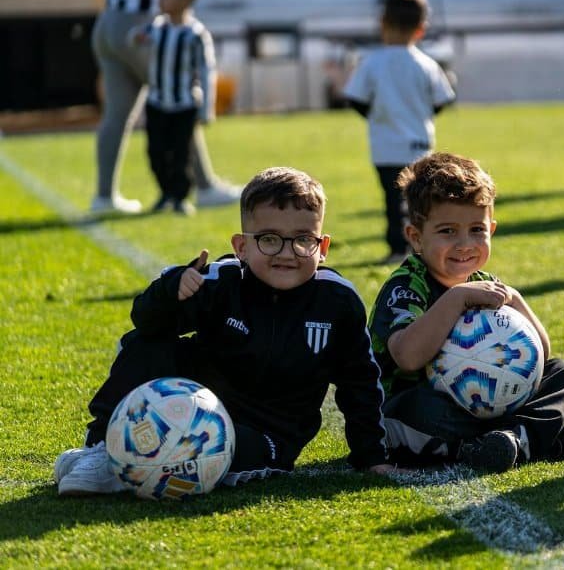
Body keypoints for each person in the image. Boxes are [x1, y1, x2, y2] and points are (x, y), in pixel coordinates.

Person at [54, 167, 400, 495]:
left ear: (322, 248)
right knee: (147, 345)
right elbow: (146, 323)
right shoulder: (221, 281)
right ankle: (101, 448)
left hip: (266, 433)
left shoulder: (338, 302)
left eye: (302, 240)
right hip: (195, 405)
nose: (286, 253)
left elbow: (361, 383)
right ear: (241, 247)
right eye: (269, 239)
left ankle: (125, 470)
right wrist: (171, 291)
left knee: (226, 450)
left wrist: (372, 457)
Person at [367, 153, 564, 473]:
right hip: (417, 407)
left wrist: (515, 300)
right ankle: (531, 438)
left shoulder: (485, 284)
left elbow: (539, 356)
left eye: (476, 230)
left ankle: (509, 441)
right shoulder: (407, 286)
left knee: (560, 373)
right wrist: (455, 299)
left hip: (488, 405)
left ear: (492, 229)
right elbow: (408, 357)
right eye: (447, 231)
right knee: (420, 408)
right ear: (416, 236)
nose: (464, 244)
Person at [91, 0, 240, 215]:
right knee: (178, 98)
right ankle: (204, 186)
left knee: (116, 116)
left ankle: (104, 197)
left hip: (107, 24)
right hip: (138, 26)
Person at [342, 0, 456, 266]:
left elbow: (355, 98)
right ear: (421, 29)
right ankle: (423, 248)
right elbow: (443, 100)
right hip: (419, 144)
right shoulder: (426, 64)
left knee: (393, 203)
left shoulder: (372, 62)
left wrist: (377, 116)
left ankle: (397, 250)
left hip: (385, 146)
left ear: (382, 23)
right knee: (421, 203)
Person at [133, 0, 215, 215]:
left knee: (181, 153)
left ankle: (180, 197)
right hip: (157, 101)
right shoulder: (156, 27)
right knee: (155, 151)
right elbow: (135, 39)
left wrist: (206, 107)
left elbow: (206, 70)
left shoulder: (196, 34)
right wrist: (135, 38)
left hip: (184, 104)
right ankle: (165, 192)